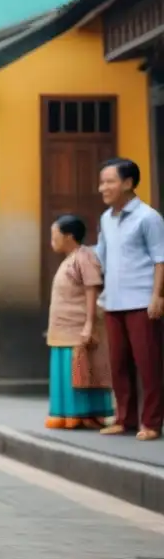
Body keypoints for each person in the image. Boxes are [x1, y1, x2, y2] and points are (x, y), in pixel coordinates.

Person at [95, 158, 164, 442]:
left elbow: (161, 260)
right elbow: (103, 258)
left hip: (141, 301)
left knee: (149, 365)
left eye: (109, 181)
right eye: (101, 182)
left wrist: (157, 296)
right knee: (119, 364)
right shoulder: (105, 219)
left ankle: (151, 422)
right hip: (114, 302)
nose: (103, 188)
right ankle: (125, 419)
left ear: (127, 183)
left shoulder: (149, 218)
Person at [46, 215, 113, 430]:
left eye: (54, 236)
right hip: (62, 330)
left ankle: (83, 415)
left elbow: (91, 289)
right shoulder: (70, 258)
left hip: (77, 328)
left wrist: (89, 324)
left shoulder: (84, 257)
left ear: (69, 236)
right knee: (65, 373)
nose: (52, 240)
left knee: (79, 372)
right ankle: (64, 414)